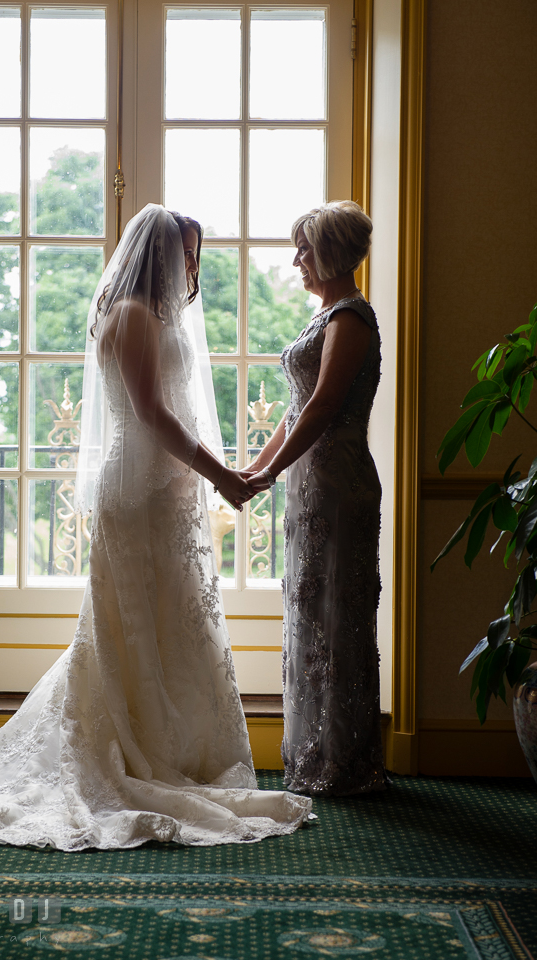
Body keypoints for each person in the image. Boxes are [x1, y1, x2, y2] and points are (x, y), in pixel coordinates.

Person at [0, 204, 312, 849]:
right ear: (159, 257)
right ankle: (129, 750)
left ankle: (172, 747)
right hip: (139, 491)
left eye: (195, 255)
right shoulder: (129, 318)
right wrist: (222, 477)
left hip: (164, 491)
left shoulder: (156, 316)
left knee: (168, 621)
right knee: (126, 627)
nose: (192, 268)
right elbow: (152, 414)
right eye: (186, 255)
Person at [245, 201, 386, 797]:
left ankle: (344, 762)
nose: (297, 261)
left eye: (304, 250)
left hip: (337, 482)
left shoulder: (350, 318)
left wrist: (272, 471)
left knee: (338, 615)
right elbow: (299, 409)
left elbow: (326, 405)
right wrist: (256, 469)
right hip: (310, 486)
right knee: (311, 611)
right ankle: (314, 753)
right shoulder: (324, 316)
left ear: (328, 254)